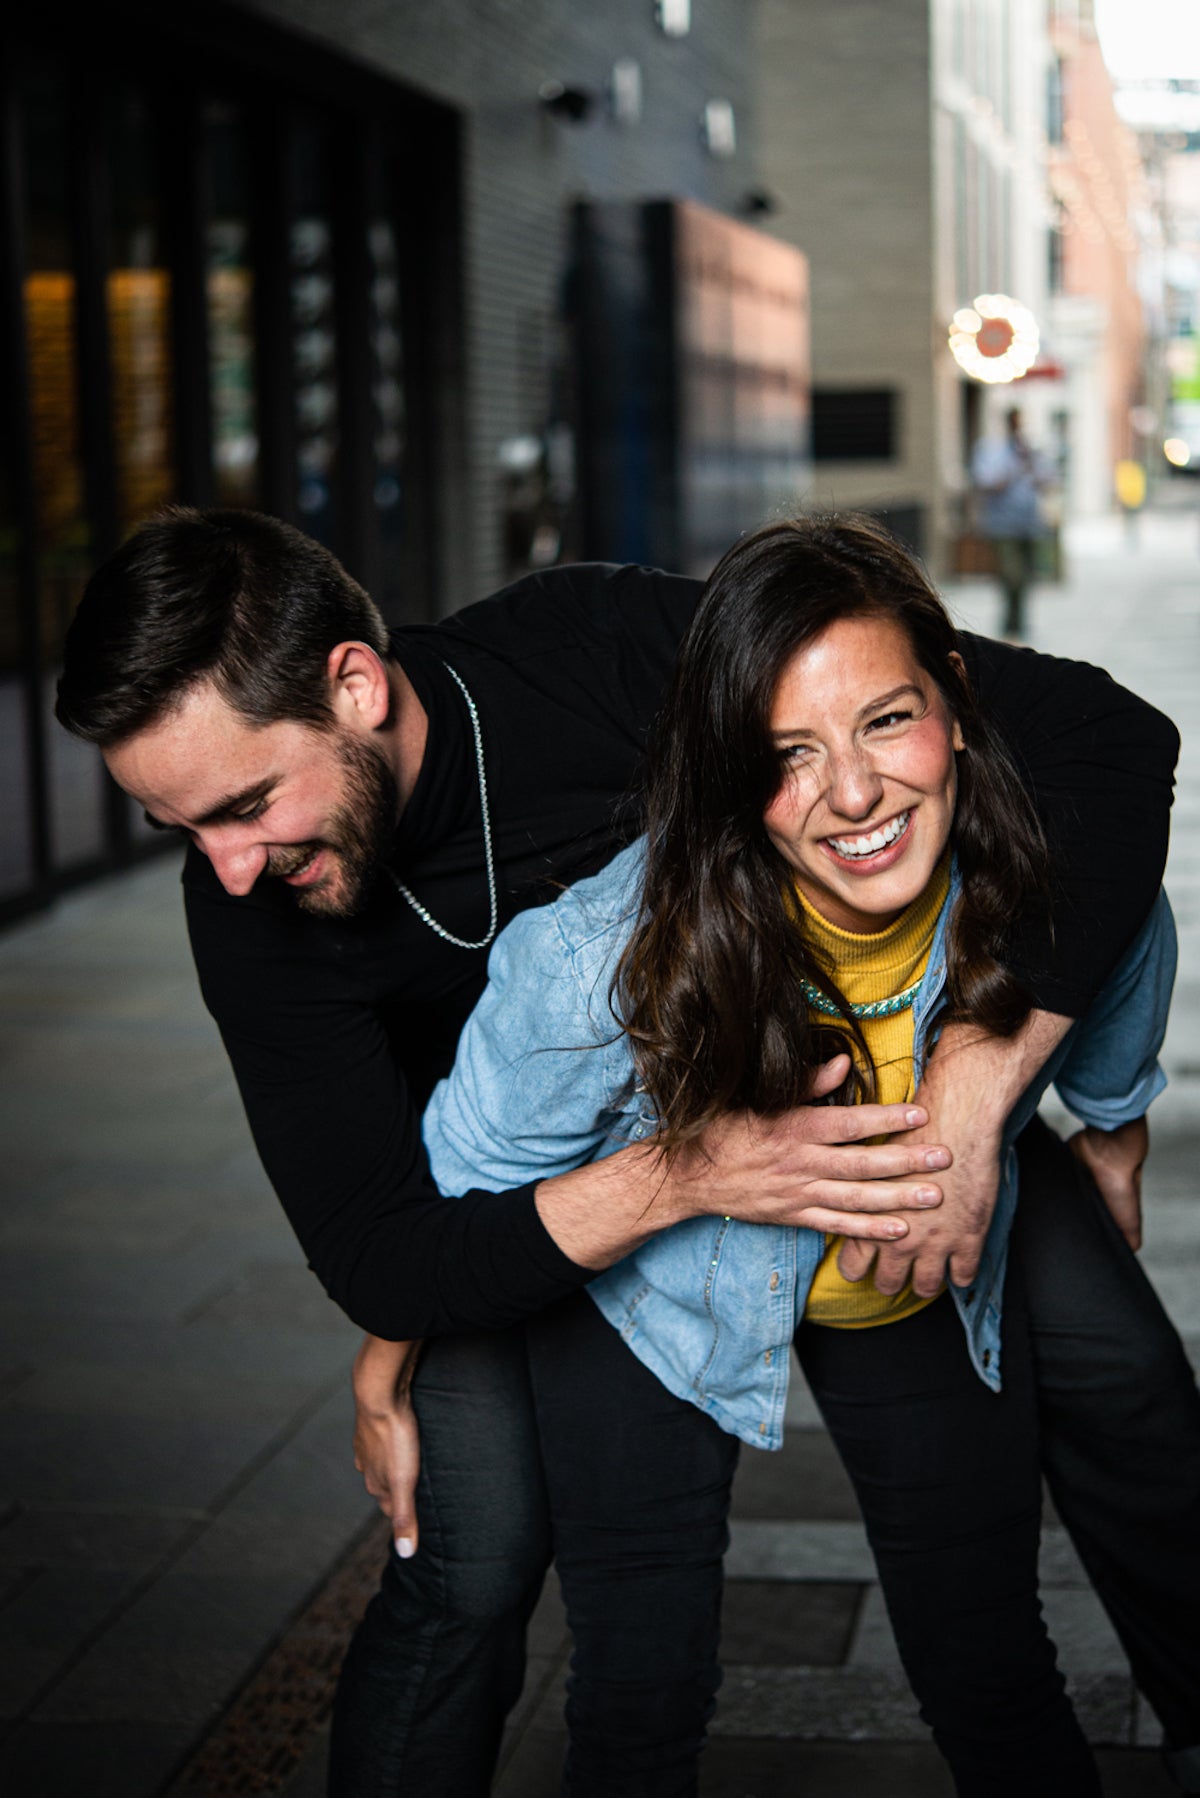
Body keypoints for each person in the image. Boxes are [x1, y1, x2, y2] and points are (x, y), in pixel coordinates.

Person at [54, 507, 1184, 1797]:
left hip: (836, 1123)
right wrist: (681, 1182)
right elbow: (389, 1249)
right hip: (504, 1204)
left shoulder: (589, 647)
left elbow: (1102, 751)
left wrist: (999, 1090)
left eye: (247, 804)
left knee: (1124, 1372)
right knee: (471, 1552)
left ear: (355, 686)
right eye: (184, 830)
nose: (229, 868)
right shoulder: (256, 909)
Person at [424, 514, 1200, 1797]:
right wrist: (394, 1352)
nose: (853, 794)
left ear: (957, 701)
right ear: (729, 775)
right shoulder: (598, 960)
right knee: (639, 1689)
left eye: (886, 721)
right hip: (648, 1305)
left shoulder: (1065, 890)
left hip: (912, 1275)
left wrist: (1109, 1138)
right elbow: (462, 1180)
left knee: (991, 1657)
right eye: (788, 754)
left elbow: (1118, 998)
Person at [971, 405, 1055, 638]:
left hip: (1029, 523)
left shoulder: (1031, 450)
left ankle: (1019, 623)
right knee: (1011, 575)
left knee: (1026, 576)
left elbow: (1047, 481)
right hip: (1002, 525)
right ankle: (1009, 624)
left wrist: (1031, 464)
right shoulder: (991, 450)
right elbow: (987, 483)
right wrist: (1013, 466)